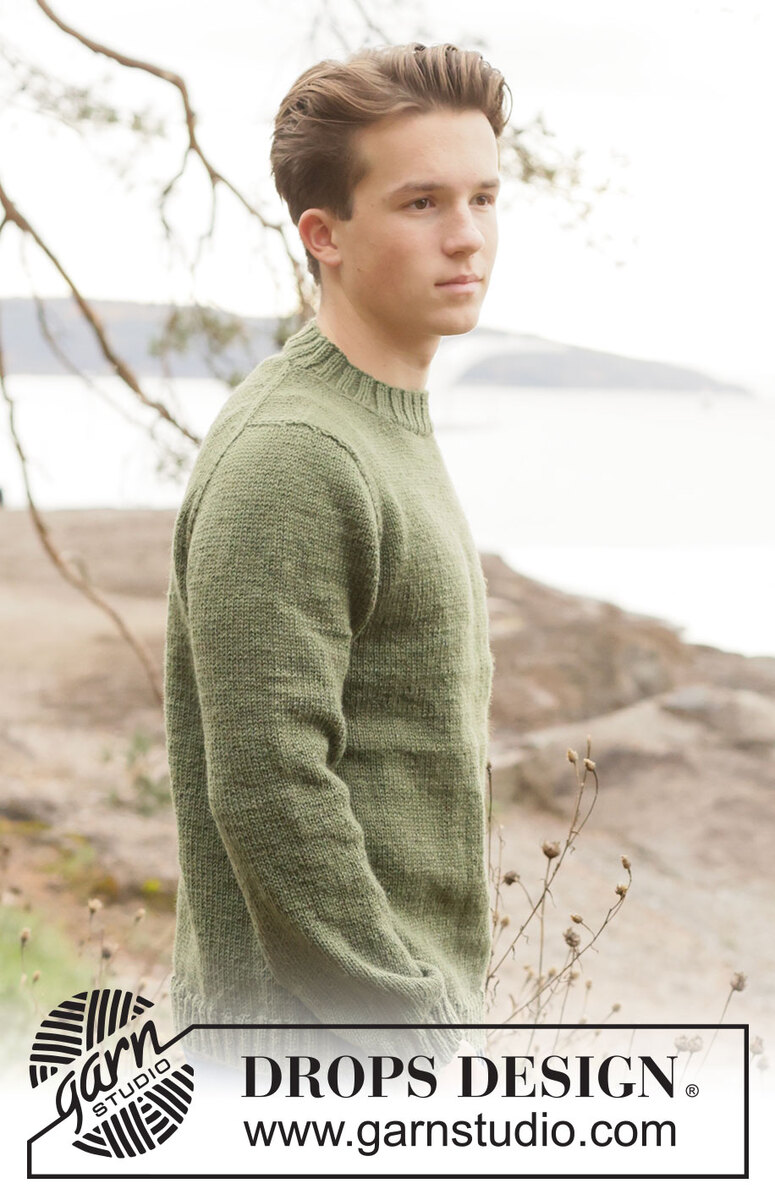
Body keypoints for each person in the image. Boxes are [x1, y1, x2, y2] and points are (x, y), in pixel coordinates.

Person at [164, 42, 510, 1071]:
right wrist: (416, 1035)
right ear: (325, 235)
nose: (466, 235)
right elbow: (268, 787)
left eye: (483, 198)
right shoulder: (295, 454)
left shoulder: (375, 423)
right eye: (420, 203)